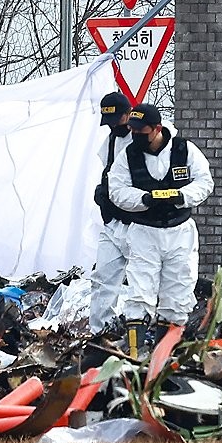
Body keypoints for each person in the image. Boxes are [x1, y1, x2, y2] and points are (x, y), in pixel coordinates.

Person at [108, 103, 214, 358]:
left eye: (141, 131)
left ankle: (166, 356)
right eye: (132, 130)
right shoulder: (128, 155)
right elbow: (117, 189)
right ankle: (134, 355)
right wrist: (144, 199)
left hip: (180, 231)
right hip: (145, 231)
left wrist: (180, 196)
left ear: (157, 129)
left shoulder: (184, 150)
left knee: (178, 292)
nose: (135, 136)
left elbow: (204, 181)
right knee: (139, 292)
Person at [88, 91, 133, 335]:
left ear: (128, 114)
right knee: (102, 279)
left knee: (144, 286)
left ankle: (148, 336)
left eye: (118, 119)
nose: (114, 125)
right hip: (113, 222)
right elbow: (109, 172)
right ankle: (100, 333)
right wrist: (102, 192)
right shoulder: (111, 141)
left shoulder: (140, 141)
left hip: (138, 225)